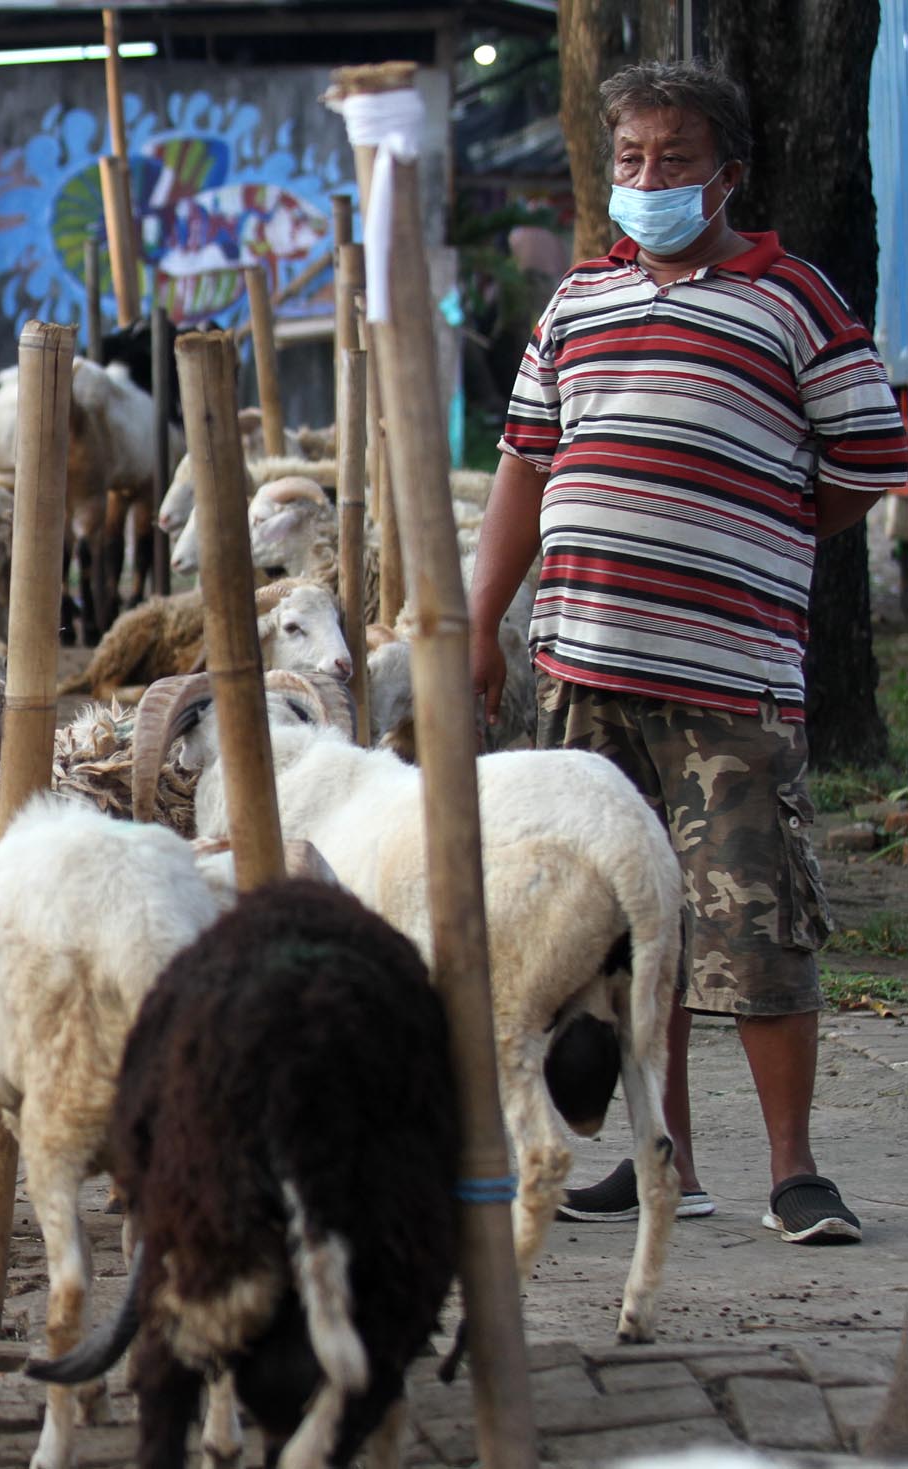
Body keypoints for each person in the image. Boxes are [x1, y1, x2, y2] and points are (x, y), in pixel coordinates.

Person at [469, 61, 908, 1245]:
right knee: (613, 927)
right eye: (628, 161)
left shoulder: (792, 299)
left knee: (752, 925)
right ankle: (663, 1158)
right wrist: (479, 618)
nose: (647, 181)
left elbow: (865, 460)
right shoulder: (575, 302)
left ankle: (793, 1170)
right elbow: (524, 463)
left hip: (727, 680)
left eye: (672, 160)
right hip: (581, 667)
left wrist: (748, 523)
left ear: (728, 173)